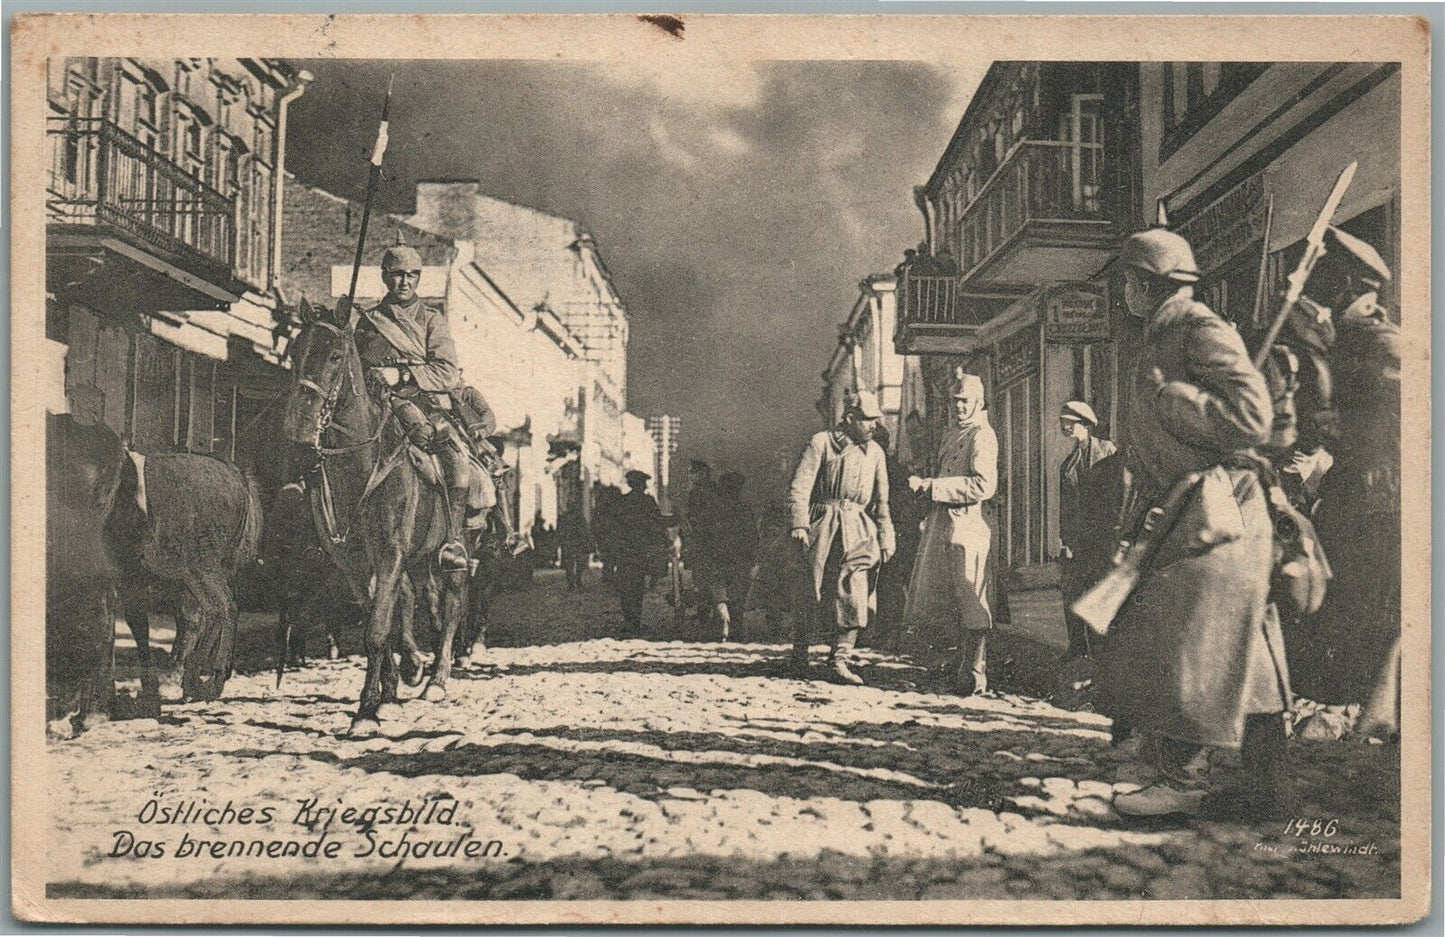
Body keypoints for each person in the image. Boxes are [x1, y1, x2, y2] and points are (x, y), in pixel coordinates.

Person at [1096, 228, 1290, 820]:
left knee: (1188, 635)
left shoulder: (1197, 328)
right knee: (1243, 646)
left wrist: (1174, 398)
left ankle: (1180, 779)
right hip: (1192, 505)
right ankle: (1264, 787)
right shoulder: (1165, 332)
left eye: (1128, 280)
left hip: (1219, 508)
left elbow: (1252, 417)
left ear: (1148, 283)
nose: (1123, 290)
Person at [1280, 226, 1401, 738]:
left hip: (1384, 500)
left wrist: (1333, 428)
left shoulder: (1384, 343)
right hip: (1354, 495)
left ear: (1353, 289)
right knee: (1340, 603)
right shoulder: (1350, 342)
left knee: (1368, 606)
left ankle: (1371, 717)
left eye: (1330, 290)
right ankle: (1360, 714)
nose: (1321, 303)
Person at [352, 242, 497, 571]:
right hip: (377, 408)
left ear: (418, 279)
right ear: (385, 278)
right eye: (397, 275)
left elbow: (446, 372)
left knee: (457, 464)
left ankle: (452, 541)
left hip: (425, 408)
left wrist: (402, 374)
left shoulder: (433, 321)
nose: (404, 282)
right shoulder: (369, 322)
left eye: (411, 275)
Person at [786, 392, 895, 684]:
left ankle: (839, 659)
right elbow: (800, 486)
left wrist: (886, 535)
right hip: (823, 524)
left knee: (855, 590)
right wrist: (800, 523)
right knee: (812, 589)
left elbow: (882, 502)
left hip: (859, 528)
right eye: (868, 419)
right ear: (849, 418)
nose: (874, 425)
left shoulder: (876, 453)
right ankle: (799, 655)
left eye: (876, 419)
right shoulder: (822, 443)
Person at [902, 370, 999, 695]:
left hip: (969, 526)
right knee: (945, 597)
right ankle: (957, 667)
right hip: (945, 523)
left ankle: (974, 672)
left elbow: (984, 485)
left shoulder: (982, 435)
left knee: (971, 595)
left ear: (978, 402)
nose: (959, 407)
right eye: (955, 401)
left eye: (965, 402)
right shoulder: (952, 433)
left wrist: (933, 487)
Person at [1056, 400, 1117, 661]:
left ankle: (1101, 650)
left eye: (1071, 423)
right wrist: (1064, 540)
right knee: (1072, 589)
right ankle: (1078, 646)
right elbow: (1065, 506)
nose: (1066, 428)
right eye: (1063, 423)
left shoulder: (1106, 452)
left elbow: (1117, 494)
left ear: (1085, 425)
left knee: (1099, 592)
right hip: (1078, 539)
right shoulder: (1069, 463)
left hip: (1103, 536)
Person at [701, 472, 758, 641]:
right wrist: (753, 557)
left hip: (716, 555)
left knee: (718, 587)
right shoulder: (744, 510)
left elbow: (703, 534)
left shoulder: (712, 509)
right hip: (740, 557)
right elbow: (753, 536)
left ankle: (721, 611)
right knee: (738, 593)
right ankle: (737, 628)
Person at [613, 469, 668, 636]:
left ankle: (629, 620)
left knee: (625, 586)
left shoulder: (621, 501)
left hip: (624, 550)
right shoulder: (648, 501)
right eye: (643, 482)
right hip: (640, 550)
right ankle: (634, 621)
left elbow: (614, 526)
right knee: (637, 586)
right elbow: (657, 522)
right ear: (640, 484)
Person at [683, 460, 719, 624]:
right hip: (708, 541)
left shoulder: (699, 492)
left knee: (703, 579)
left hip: (703, 541)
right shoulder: (713, 490)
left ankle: (706, 614)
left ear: (702, 473)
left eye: (693, 472)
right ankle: (705, 612)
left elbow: (699, 517)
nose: (690, 475)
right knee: (706, 578)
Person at [557, 505, 592, 590]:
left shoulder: (565, 517)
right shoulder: (579, 518)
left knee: (570, 564)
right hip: (576, 543)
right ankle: (576, 581)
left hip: (570, 543)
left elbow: (561, 530)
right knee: (577, 563)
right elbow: (585, 530)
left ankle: (572, 583)